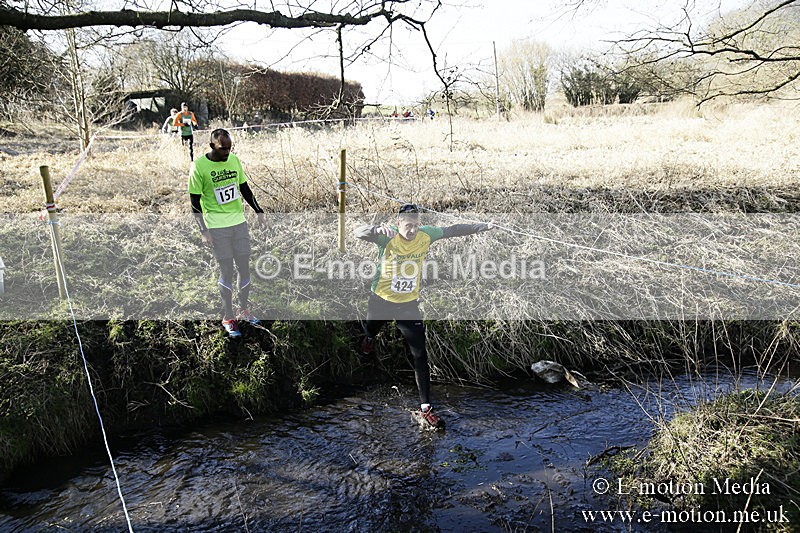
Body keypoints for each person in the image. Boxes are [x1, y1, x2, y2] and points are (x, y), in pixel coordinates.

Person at [354, 204, 493, 429]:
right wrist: (375, 229)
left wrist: (483, 226)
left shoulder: (425, 234)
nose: (412, 231)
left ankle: (426, 407)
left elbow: (453, 230)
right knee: (371, 328)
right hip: (381, 300)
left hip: (408, 305)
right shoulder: (387, 236)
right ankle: (369, 339)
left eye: (416, 226)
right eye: (408, 226)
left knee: (420, 353)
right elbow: (358, 232)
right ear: (398, 223)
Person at [189, 128, 266, 338]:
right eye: (223, 148)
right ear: (212, 146)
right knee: (227, 270)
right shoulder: (199, 166)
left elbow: (244, 188)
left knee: (244, 268)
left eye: (230, 148)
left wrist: (258, 210)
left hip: (238, 223)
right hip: (216, 226)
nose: (227, 152)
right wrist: (203, 230)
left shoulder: (234, 161)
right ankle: (228, 317)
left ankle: (244, 310)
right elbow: (194, 202)